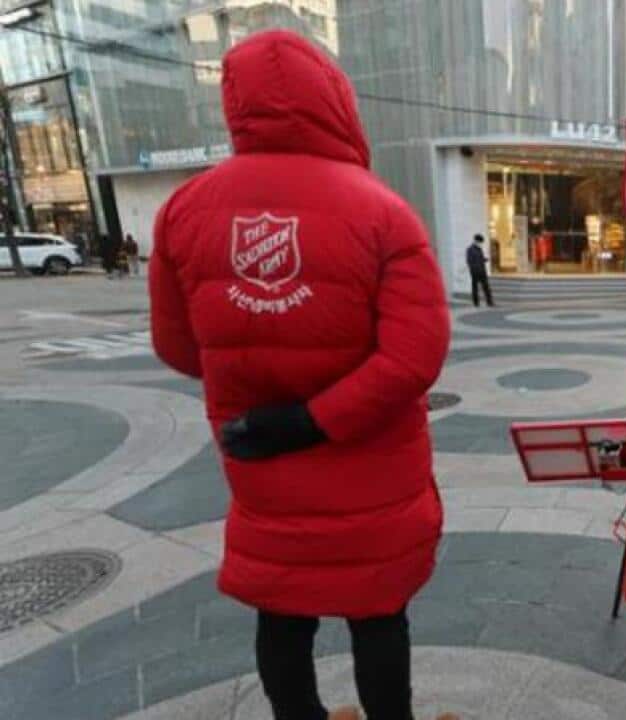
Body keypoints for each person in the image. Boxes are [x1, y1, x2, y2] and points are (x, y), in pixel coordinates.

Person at [148, 31, 452, 720]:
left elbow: (178, 348)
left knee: (282, 613)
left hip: (260, 460)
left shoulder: (184, 210)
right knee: (378, 614)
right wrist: (314, 419)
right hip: (372, 467)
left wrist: (259, 372)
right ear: (335, 102)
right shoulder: (384, 212)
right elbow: (414, 358)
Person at [467, 233, 495, 307]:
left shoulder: (479, 249)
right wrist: (474, 269)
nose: (481, 244)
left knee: (486, 287)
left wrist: (485, 259)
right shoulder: (470, 250)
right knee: (475, 288)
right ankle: (476, 303)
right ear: (476, 241)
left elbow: (480, 259)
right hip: (475, 272)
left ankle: (490, 302)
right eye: (480, 242)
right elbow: (469, 261)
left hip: (482, 271)